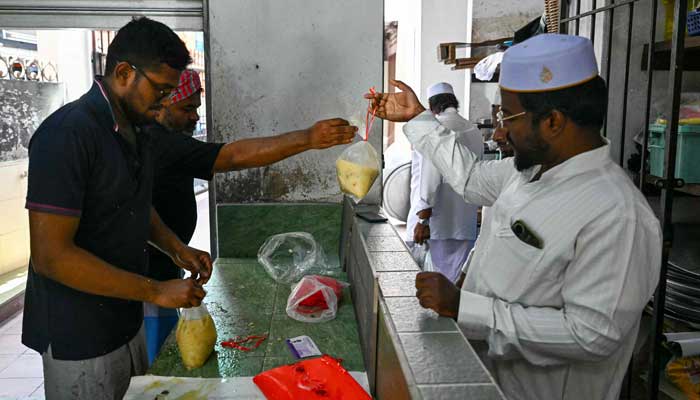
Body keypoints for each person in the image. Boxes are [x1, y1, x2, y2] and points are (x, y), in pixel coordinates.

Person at [365, 34, 661, 400]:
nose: (500, 131)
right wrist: (417, 118)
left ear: (552, 121)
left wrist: (466, 308)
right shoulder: (525, 172)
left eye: (508, 116)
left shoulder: (617, 215)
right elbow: (470, 178)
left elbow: (592, 335)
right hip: (485, 380)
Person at [22, 18, 214, 400]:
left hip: (125, 319)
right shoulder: (68, 134)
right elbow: (51, 257)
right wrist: (157, 290)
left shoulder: (135, 131)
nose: (164, 102)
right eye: (160, 90)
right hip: (78, 336)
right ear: (124, 72)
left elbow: (134, 207)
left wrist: (178, 249)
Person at [142, 69, 357, 360]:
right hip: (147, 282)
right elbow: (231, 156)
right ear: (163, 102)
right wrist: (307, 138)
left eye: (196, 108)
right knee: (158, 362)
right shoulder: (157, 142)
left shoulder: (167, 142)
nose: (194, 117)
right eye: (187, 108)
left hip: (165, 271)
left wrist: (178, 250)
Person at [406, 82, 482, 282]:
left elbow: (430, 178)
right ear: (453, 102)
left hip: (438, 222)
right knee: (457, 280)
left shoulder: (434, 130)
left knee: (435, 280)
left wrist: (422, 219)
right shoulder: (473, 130)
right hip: (465, 221)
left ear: (431, 106)